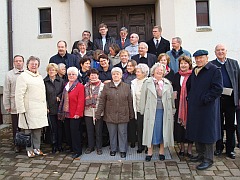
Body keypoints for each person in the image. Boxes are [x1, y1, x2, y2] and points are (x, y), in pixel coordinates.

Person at [186, 50, 223, 170]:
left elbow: (217, 89)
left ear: (207, 58)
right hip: (195, 107)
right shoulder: (195, 71)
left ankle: (208, 159)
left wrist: (205, 99)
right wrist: (190, 97)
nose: (198, 60)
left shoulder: (214, 70)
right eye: (196, 58)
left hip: (208, 108)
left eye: (201, 58)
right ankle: (200, 154)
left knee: (207, 133)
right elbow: (190, 86)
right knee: (197, 130)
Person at [95, 67, 134, 158]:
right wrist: (98, 113)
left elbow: (130, 101)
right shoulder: (106, 86)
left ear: (121, 75)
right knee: (112, 133)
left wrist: (131, 114)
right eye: (114, 74)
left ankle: (123, 150)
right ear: (111, 76)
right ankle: (113, 149)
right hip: (110, 114)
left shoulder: (126, 86)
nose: (116, 75)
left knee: (123, 133)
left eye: (118, 74)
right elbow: (102, 101)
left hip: (123, 114)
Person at [140, 63, 175, 162]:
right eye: (158, 70)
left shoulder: (168, 83)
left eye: (161, 70)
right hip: (151, 111)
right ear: (153, 71)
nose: (160, 71)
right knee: (150, 131)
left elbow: (171, 99)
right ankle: (149, 152)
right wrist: (141, 110)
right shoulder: (147, 82)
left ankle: (161, 151)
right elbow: (143, 97)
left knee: (162, 131)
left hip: (164, 111)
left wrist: (173, 110)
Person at [15, 56, 48, 158]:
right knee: (28, 131)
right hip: (28, 109)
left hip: (39, 109)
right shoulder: (23, 76)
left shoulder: (39, 77)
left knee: (38, 130)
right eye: (32, 64)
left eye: (36, 64)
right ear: (28, 65)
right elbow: (19, 94)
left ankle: (37, 148)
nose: (34, 66)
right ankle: (29, 150)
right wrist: (21, 109)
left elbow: (43, 93)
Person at [211, 44, 240, 159]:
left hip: (231, 99)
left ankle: (230, 149)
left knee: (230, 125)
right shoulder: (212, 64)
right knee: (218, 124)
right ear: (215, 52)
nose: (220, 52)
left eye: (222, 50)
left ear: (226, 51)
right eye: (218, 50)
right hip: (217, 99)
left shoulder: (234, 63)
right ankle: (218, 147)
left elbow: (238, 80)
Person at [58, 67, 85, 159]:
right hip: (66, 113)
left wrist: (78, 113)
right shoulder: (66, 85)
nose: (71, 76)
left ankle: (78, 151)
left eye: (73, 74)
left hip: (75, 114)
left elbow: (81, 101)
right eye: (69, 74)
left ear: (76, 76)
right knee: (68, 132)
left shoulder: (80, 86)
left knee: (75, 133)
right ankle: (72, 148)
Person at [172, 56, 193, 158]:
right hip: (179, 106)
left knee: (190, 127)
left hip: (190, 106)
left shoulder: (193, 75)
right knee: (179, 128)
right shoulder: (176, 76)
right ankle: (181, 148)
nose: (183, 65)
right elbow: (174, 89)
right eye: (181, 63)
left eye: (185, 63)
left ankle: (189, 149)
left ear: (189, 64)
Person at [3, 55, 24, 153]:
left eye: (20, 61)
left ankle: (24, 142)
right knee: (16, 126)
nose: (18, 63)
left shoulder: (26, 73)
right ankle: (17, 144)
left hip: (24, 104)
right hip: (14, 104)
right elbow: (6, 91)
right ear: (14, 63)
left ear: (23, 62)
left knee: (24, 125)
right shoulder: (9, 75)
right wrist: (7, 105)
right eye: (16, 61)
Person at [44, 63, 65, 153]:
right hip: (50, 108)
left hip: (59, 107)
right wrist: (46, 107)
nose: (51, 71)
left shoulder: (61, 81)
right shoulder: (45, 81)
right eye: (50, 70)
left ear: (56, 71)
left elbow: (64, 92)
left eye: (53, 70)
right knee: (53, 128)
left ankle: (59, 145)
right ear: (48, 71)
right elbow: (43, 96)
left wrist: (59, 96)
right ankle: (54, 145)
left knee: (60, 127)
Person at [84, 69, 104, 155]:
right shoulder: (85, 86)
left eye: (95, 74)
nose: (93, 76)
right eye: (91, 75)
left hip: (98, 110)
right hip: (88, 111)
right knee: (89, 130)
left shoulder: (103, 86)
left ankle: (99, 147)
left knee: (98, 130)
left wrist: (98, 112)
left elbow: (103, 100)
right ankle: (90, 146)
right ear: (89, 76)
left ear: (98, 76)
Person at [131, 63, 149, 153]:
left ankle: (147, 146)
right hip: (137, 109)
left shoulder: (149, 82)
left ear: (144, 73)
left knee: (147, 128)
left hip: (147, 109)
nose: (136, 73)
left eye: (138, 72)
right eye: (136, 71)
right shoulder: (133, 82)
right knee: (139, 127)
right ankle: (140, 146)